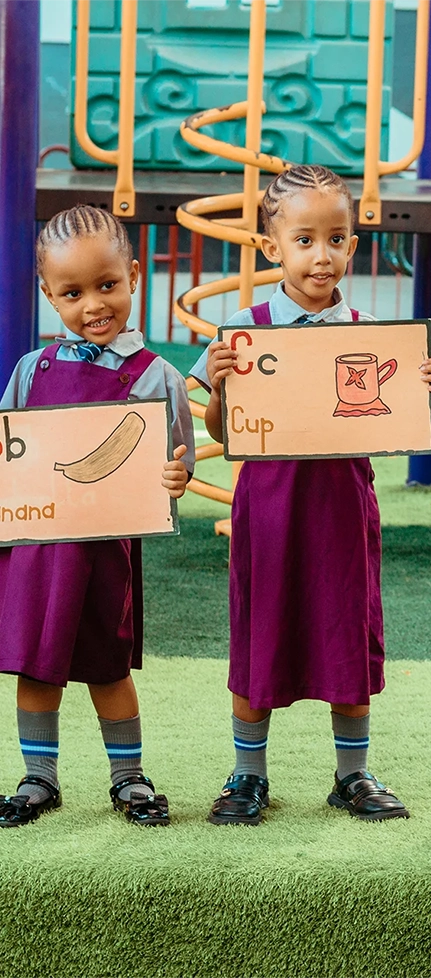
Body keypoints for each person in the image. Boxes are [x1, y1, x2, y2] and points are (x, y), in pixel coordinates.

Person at [191, 164, 431, 826]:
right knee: (260, 632)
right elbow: (225, 432)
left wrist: (419, 389)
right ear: (272, 244)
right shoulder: (243, 329)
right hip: (269, 511)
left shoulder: (369, 331)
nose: (321, 255)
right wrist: (220, 389)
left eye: (336, 238)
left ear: (353, 244)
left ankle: (352, 774)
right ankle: (248, 776)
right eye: (303, 240)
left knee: (347, 632)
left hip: (340, 508)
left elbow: (392, 418)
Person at [0, 205, 194, 828]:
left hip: (109, 551)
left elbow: (176, 467)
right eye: (72, 292)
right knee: (37, 664)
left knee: (108, 666)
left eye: (107, 285)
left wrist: (175, 478)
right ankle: (39, 778)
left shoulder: (158, 377)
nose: (93, 305)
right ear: (48, 294)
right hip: (37, 550)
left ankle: (129, 778)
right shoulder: (33, 371)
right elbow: (10, 451)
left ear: (134, 275)